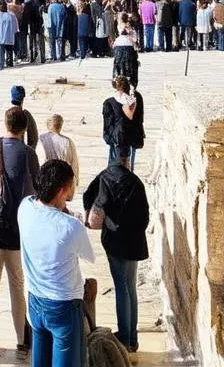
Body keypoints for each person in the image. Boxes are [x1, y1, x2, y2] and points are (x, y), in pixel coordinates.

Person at [0, 106, 40, 360]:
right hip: (17, 228)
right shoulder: (28, 154)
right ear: (24, 129)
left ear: (5, 124)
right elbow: (37, 189)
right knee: (17, 284)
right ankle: (22, 344)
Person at [17, 160, 95, 367]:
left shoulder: (24, 207)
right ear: (62, 191)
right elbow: (89, 256)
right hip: (63, 305)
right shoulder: (70, 226)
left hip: (35, 299)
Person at [82, 152, 150, 356]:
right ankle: (132, 337)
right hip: (135, 242)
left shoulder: (105, 177)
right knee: (130, 287)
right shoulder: (136, 182)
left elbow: (89, 197)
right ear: (127, 160)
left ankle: (126, 338)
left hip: (115, 240)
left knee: (121, 287)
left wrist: (90, 218)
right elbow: (145, 216)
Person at [38, 114, 80, 183]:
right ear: (60, 126)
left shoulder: (41, 139)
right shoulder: (67, 141)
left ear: (48, 125)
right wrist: (75, 180)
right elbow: (74, 163)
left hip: (46, 177)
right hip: (62, 178)